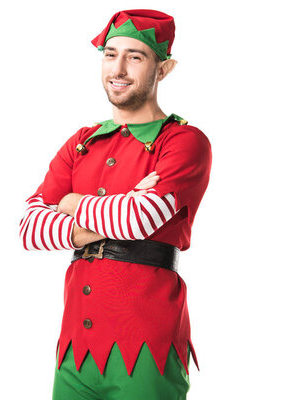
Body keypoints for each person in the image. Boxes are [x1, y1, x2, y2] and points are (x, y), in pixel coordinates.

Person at [19, 9, 212, 400]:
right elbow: (29, 229)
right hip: (74, 349)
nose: (118, 68)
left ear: (164, 69)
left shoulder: (182, 142)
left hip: (145, 346)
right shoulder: (82, 142)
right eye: (110, 54)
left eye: (135, 57)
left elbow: (140, 219)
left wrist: (71, 202)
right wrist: (118, 210)